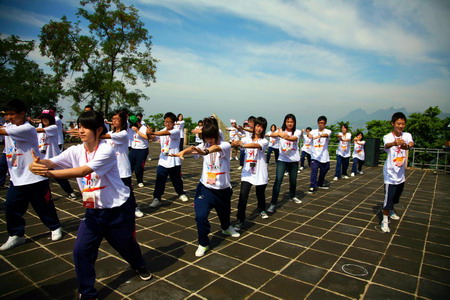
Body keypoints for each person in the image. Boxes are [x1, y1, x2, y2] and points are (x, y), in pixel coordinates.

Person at [29, 110, 151, 298]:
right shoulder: (75, 150)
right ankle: (87, 293)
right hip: (94, 212)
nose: (81, 131)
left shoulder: (106, 150)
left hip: (117, 210)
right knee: (81, 252)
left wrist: (48, 174)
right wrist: (36, 164)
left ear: (99, 129)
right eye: (79, 126)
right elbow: (51, 162)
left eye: (86, 127)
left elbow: (82, 171)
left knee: (126, 245)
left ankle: (139, 265)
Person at [171, 116, 240, 257]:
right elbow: (194, 148)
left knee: (225, 215)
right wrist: (183, 152)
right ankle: (203, 243)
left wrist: (206, 151)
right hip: (206, 188)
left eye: (211, 137)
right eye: (206, 138)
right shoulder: (204, 145)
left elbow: (215, 147)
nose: (209, 141)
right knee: (200, 216)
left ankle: (226, 228)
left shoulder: (225, 145)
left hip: (223, 189)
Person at [0, 99, 62, 251]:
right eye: (7, 114)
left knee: (44, 205)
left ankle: (55, 227)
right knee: (11, 207)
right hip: (17, 176)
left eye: (12, 114)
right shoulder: (9, 126)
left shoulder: (26, 129)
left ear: (23, 114)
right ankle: (16, 235)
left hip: (35, 175)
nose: (9, 117)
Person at [101, 110, 144, 218]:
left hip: (122, 168)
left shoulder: (123, 134)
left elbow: (104, 137)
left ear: (123, 121)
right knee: (110, 190)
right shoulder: (110, 134)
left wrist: (92, 134)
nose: (114, 121)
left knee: (127, 190)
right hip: (110, 169)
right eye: (113, 119)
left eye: (117, 119)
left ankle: (134, 207)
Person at [232, 117, 269, 231]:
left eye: (261, 127)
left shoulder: (264, 141)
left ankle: (261, 209)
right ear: (254, 126)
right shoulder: (247, 139)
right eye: (257, 126)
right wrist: (236, 143)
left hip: (260, 172)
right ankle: (240, 219)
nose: (259, 128)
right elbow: (241, 142)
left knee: (260, 193)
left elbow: (256, 146)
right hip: (247, 173)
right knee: (243, 196)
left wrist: (242, 145)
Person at [381, 112, 414, 233]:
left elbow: (411, 143)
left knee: (396, 196)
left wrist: (407, 145)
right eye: (398, 123)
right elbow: (387, 145)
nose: (400, 126)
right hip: (390, 173)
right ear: (393, 124)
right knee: (388, 197)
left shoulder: (407, 135)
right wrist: (395, 143)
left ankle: (391, 210)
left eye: (403, 124)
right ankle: (384, 220)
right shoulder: (388, 136)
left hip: (401, 173)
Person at [147, 112, 188, 208]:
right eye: (166, 122)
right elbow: (153, 138)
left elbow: (166, 133)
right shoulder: (162, 130)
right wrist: (148, 133)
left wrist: (152, 133)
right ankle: (157, 198)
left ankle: (181, 193)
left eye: (169, 122)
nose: (167, 124)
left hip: (174, 159)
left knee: (176, 179)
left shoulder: (176, 131)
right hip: (163, 160)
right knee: (160, 179)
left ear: (174, 123)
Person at [36, 109, 77, 200]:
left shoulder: (53, 127)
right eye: (43, 118)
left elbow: (38, 130)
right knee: (41, 180)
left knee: (61, 178)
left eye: (47, 118)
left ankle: (70, 192)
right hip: (43, 159)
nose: (44, 120)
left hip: (53, 158)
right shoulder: (40, 128)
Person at [267, 114, 302, 213]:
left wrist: (281, 134)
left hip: (294, 160)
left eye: (291, 122)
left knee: (293, 180)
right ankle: (273, 203)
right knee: (278, 180)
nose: (289, 124)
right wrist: (278, 133)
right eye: (288, 122)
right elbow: (272, 134)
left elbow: (292, 138)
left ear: (294, 123)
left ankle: (293, 196)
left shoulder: (297, 132)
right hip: (282, 159)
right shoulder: (281, 131)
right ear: (285, 122)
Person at [307, 116, 332, 194]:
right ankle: (312, 186)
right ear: (317, 123)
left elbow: (326, 134)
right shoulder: (314, 131)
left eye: (323, 123)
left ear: (325, 123)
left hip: (324, 156)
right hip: (315, 156)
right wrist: (309, 135)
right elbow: (309, 135)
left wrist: (320, 136)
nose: (321, 124)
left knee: (326, 169)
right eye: (320, 122)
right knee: (314, 170)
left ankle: (320, 182)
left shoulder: (328, 131)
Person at [128, 115, 149, 187]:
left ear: (137, 123)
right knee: (129, 166)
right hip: (133, 149)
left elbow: (146, 137)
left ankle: (140, 181)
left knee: (138, 168)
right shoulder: (132, 128)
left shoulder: (144, 128)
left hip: (142, 150)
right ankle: (128, 181)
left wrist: (137, 131)